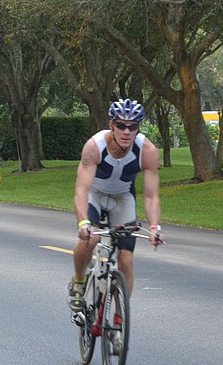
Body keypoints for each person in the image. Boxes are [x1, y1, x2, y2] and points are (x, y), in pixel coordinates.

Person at [68, 98, 164, 325]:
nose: (126, 131)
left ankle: (119, 320)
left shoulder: (147, 150)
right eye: (121, 125)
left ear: (138, 127)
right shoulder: (94, 147)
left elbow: (151, 195)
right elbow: (81, 190)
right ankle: (78, 282)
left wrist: (154, 227)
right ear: (111, 125)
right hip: (95, 195)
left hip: (122, 198)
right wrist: (83, 224)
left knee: (126, 260)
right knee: (89, 241)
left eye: (132, 126)